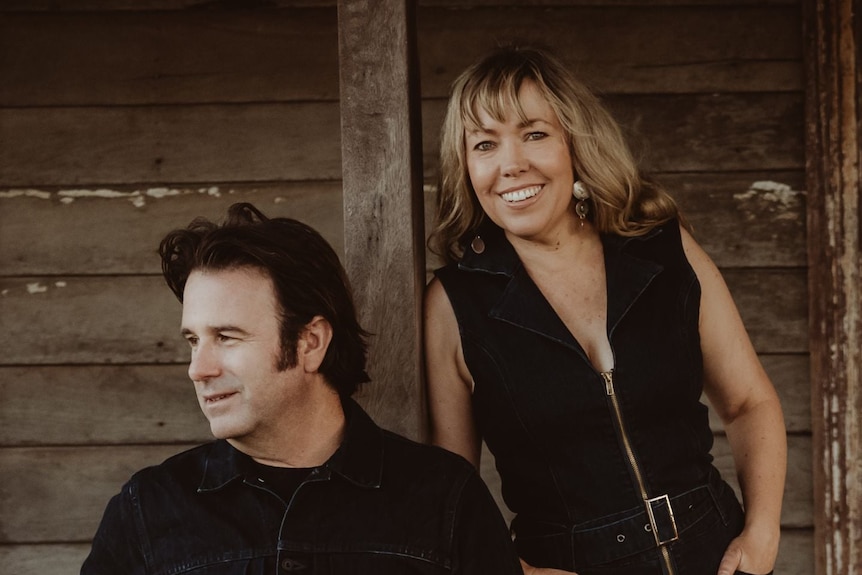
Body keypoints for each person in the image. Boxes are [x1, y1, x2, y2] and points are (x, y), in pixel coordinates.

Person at [424, 46, 786, 575]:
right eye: (484, 144)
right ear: (466, 167)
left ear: (574, 141)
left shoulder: (663, 249)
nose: (511, 164)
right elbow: (454, 498)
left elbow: (748, 402)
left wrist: (762, 531)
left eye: (534, 134)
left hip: (716, 553)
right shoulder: (454, 305)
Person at [82, 202, 523, 575]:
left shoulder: (444, 500)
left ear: (310, 343)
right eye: (194, 341)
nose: (199, 369)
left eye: (227, 337)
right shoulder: (147, 510)